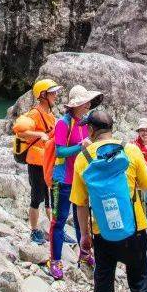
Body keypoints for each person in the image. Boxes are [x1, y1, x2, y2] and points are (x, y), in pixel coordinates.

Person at [71, 109, 147, 292]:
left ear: (91, 130)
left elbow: (80, 204)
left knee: (104, 285)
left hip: (103, 231)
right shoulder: (131, 150)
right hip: (136, 229)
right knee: (141, 283)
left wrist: (84, 235)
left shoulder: (83, 158)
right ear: (111, 129)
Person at [48, 84, 101, 279]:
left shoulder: (85, 124)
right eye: (85, 102)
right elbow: (60, 151)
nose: (88, 105)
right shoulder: (63, 123)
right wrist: (80, 146)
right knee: (59, 221)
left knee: (82, 222)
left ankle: (85, 254)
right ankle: (55, 261)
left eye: (88, 102)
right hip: (62, 180)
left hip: (80, 179)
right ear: (76, 105)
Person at [13, 78, 63, 244]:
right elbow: (20, 131)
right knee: (37, 198)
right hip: (36, 162)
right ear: (43, 95)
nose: (56, 95)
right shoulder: (35, 113)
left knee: (51, 197)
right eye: (52, 92)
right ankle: (34, 230)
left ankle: (55, 229)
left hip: (48, 161)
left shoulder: (49, 114)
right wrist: (39, 135)